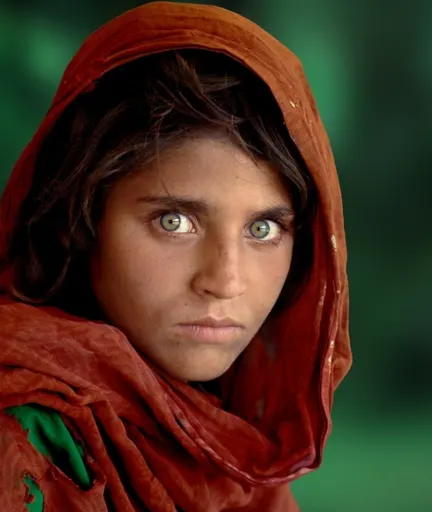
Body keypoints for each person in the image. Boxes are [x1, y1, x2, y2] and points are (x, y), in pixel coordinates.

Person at [0, 2, 351, 511]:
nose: (225, 281)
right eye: (174, 222)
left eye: (263, 228)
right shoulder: (28, 434)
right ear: (78, 219)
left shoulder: (238, 449)